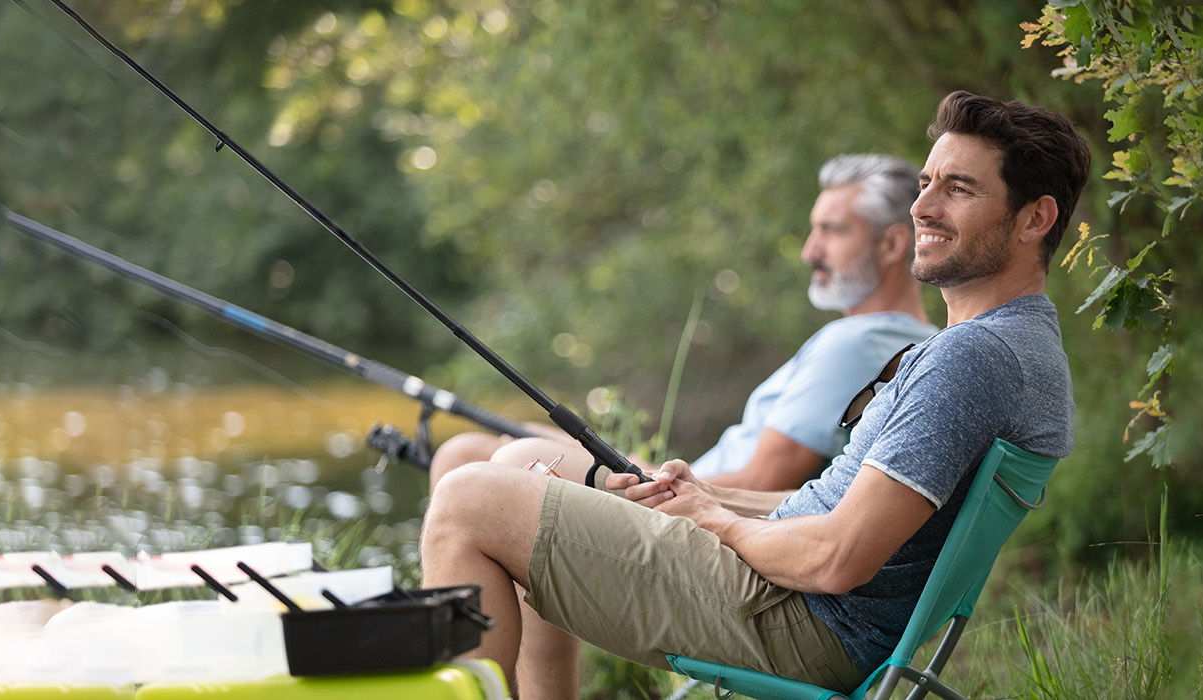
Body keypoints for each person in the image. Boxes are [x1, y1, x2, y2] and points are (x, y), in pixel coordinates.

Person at [419, 90, 1091, 699]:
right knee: (512, 467)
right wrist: (707, 498)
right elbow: (844, 514)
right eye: (924, 184)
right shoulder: (1013, 345)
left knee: (467, 499)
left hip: (803, 623)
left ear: (1035, 218)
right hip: (799, 595)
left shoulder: (975, 359)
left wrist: (716, 522)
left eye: (959, 189)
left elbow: (835, 559)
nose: (922, 207)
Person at [428, 154, 936, 493]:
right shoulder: (913, 341)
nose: (810, 251)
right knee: (497, 445)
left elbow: (763, 479)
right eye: (813, 231)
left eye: (832, 231)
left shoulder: (859, 344)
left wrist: (652, 485)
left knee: (488, 467)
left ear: (892, 245)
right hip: (696, 493)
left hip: (699, 522)